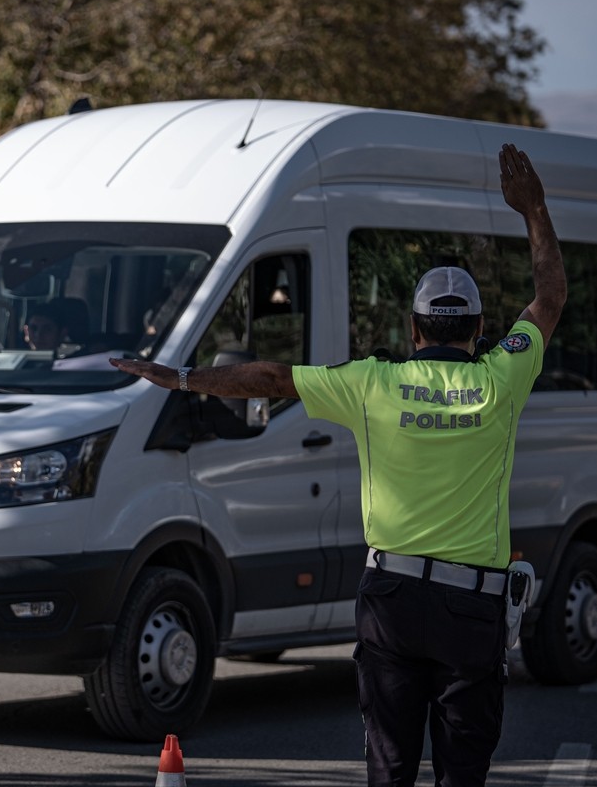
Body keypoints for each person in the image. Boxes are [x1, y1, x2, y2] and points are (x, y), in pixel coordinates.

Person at [109, 143, 564, 786]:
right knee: (462, 774)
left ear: (413, 329)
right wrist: (535, 209)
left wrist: (181, 377)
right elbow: (549, 298)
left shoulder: (372, 383)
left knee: (390, 768)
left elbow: (269, 377)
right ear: (479, 327)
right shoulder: (503, 376)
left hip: (393, 604)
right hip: (471, 612)